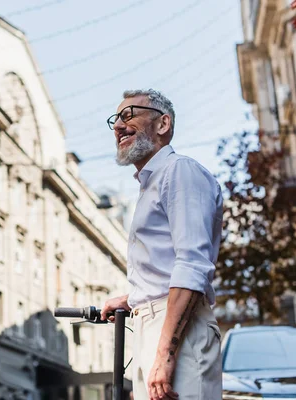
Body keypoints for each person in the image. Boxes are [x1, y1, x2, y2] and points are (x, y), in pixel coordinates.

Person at [101, 89, 223, 400]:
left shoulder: (179, 171)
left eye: (129, 115)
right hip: (154, 327)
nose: (118, 126)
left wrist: (165, 355)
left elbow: (192, 264)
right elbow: (169, 266)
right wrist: (134, 297)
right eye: (115, 119)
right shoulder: (152, 183)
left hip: (176, 334)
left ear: (163, 123)